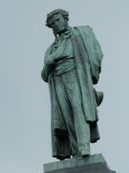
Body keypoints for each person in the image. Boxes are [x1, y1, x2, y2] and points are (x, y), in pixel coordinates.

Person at [41, 8, 103, 159]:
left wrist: (90, 74)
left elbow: (97, 52)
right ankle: (76, 151)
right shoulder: (50, 49)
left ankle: (83, 147)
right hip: (58, 79)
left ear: (65, 19)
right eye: (52, 23)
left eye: (58, 20)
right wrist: (49, 63)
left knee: (79, 109)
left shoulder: (82, 33)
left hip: (76, 74)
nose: (56, 24)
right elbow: (44, 75)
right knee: (66, 116)